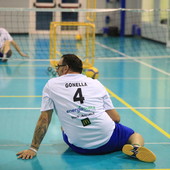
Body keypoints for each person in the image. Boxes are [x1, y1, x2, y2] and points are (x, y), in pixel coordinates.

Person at [16, 54, 156, 162]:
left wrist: (33, 148)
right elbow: (116, 118)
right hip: (108, 141)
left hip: (79, 147)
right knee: (134, 135)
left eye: (58, 66)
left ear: (65, 68)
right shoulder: (96, 83)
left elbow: (44, 119)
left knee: (64, 127)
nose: (57, 70)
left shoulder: (51, 85)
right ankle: (136, 148)